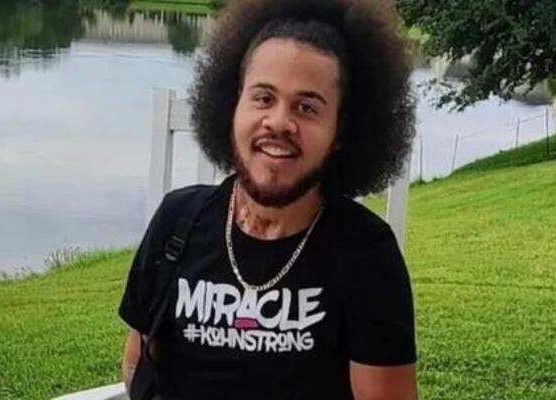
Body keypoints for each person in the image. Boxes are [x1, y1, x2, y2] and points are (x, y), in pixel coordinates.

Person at [119, 0, 417, 398]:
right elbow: (137, 364)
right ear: (233, 106)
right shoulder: (177, 222)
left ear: (341, 130)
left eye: (307, 107)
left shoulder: (366, 255)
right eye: (263, 98)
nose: (278, 122)